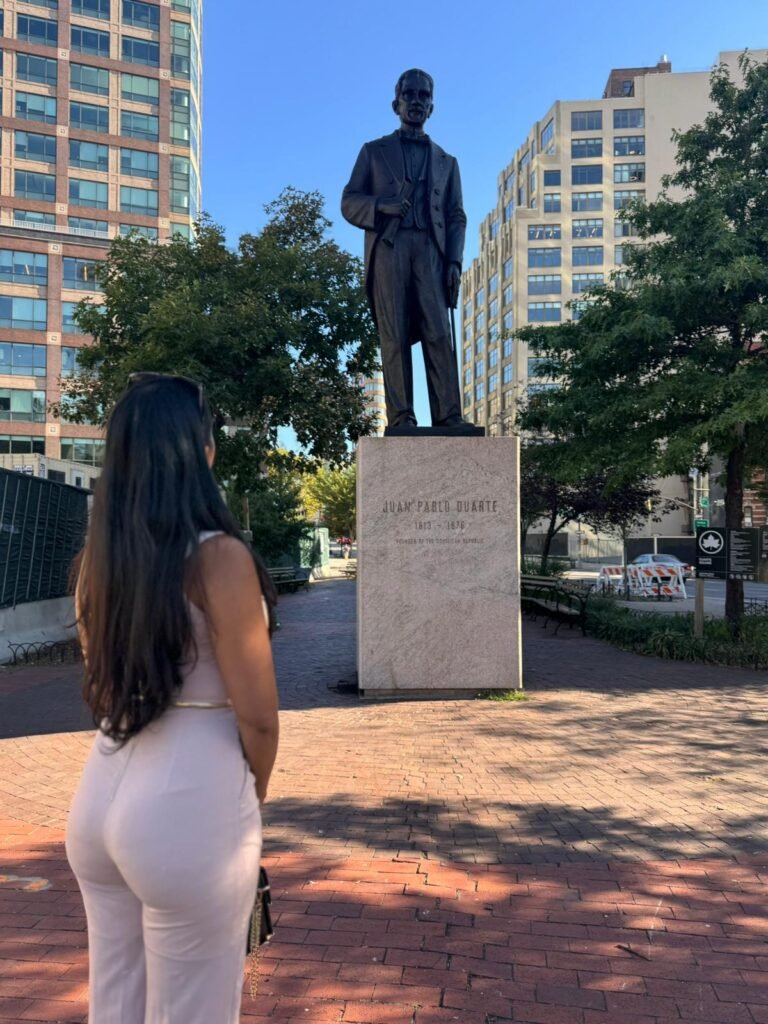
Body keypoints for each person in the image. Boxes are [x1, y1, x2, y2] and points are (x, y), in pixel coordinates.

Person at [65, 373, 280, 1024]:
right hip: (190, 796)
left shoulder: (99, 561)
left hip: (102, 787)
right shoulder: (219, 558)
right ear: (201, 451)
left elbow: (104, 682)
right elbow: (259, 719)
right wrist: (247, 799)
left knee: (116, 1004)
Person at [342, 68, 473, 432]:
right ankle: (401, 416)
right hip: (390, 247)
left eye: (424, 96)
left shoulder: (447, 162)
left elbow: (456, 216)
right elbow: (349, 201)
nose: (416, 101)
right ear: (396, 103)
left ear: (432, 106)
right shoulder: (373, 152)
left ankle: (449, 414)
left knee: (439, 332)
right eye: (410, 94)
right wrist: (381, 206)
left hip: (432, 251)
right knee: (394, 334)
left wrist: (454, 262)